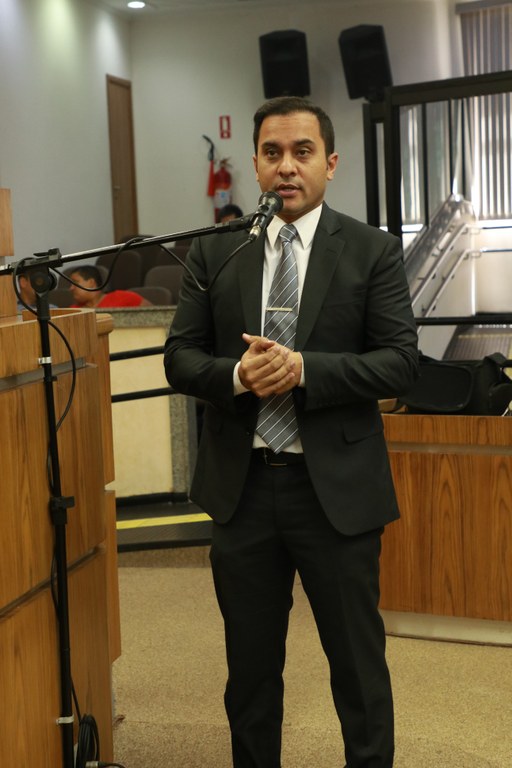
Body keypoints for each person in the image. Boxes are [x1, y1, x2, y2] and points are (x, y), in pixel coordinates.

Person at [164, 96, 418, 768]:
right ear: (254, 164)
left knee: (357, 671)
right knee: (249, 676)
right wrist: (238, 376)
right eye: (272, 153)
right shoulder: (216, 251)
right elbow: (179, 358)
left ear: (330, 163)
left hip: (335, 493)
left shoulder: (371, 250)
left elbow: (400, 362)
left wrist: (304, 369)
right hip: (242, 491)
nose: (286, 167)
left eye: (302, 152)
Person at [67, 264, 151, 308]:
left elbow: (153, 314)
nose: (71, 288)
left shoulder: (122, 297)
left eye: (75, 283)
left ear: (91, 282)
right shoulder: (74, 311)